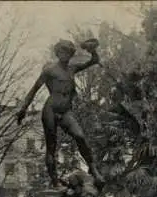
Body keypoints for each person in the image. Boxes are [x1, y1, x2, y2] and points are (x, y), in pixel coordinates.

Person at [16, 39, 105, 188]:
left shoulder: (72, 68)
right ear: (57, 53)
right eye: (62, 52)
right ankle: (55, 181)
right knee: (52, 146)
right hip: (50, 110)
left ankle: (93, 169)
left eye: (68, 52)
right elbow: (33, 90)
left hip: (65, 112)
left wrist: (92, 50)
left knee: (80, 136)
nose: (65, 55)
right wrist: (23, 108)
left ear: (71, 54)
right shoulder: (49, 70)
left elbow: (94, 60)